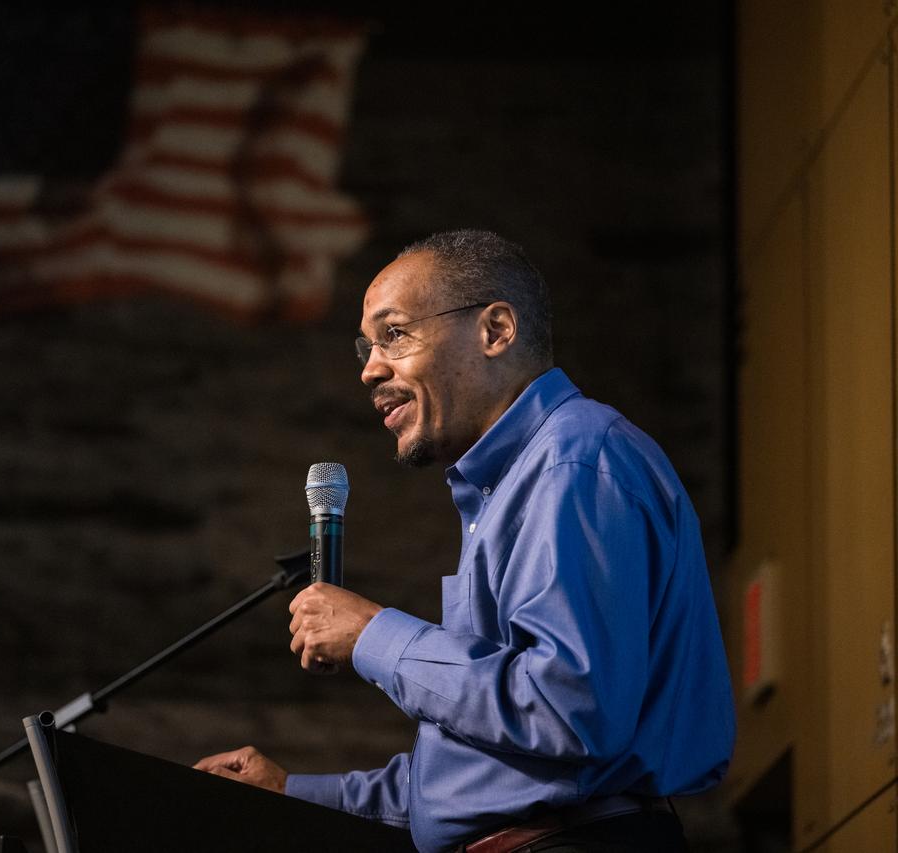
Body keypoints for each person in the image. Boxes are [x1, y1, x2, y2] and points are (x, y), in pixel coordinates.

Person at [194, 230, 734, 852]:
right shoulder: (512, 485)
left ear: (496, 330)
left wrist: (374, 635)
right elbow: (480, 780)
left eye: (393, 334)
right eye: (366, 347)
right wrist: (291, 793)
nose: (370, 369)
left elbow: (565, 712)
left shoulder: (573, 465)